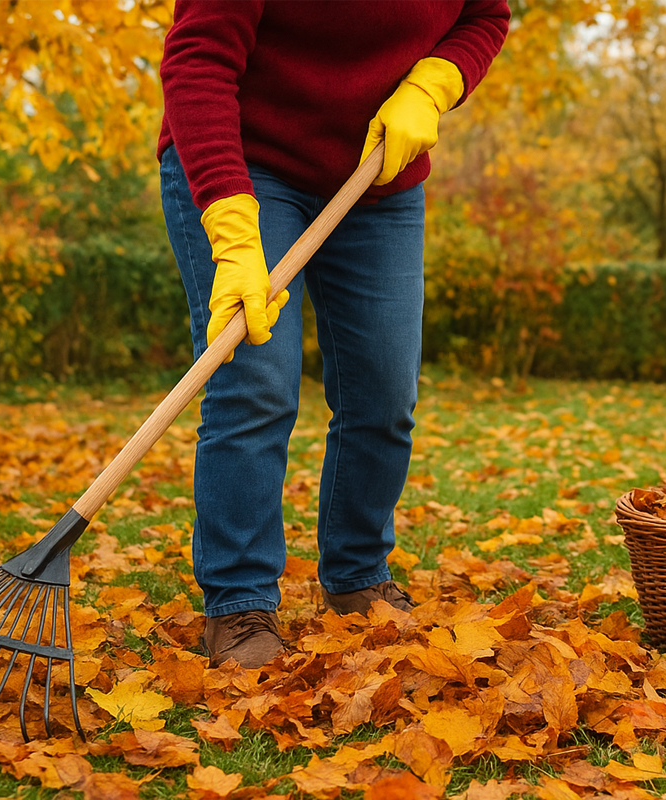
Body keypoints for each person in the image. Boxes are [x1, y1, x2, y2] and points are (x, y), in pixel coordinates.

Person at [158, 2, 510, 668]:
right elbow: (197, 61)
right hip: (243, 161)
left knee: (383, 391)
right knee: (255, 382)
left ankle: (356, 577)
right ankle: (238, 604)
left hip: (377, 171)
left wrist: (436, 79)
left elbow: (485, 16)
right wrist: (233, 231)